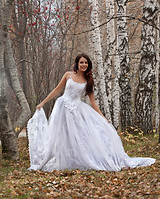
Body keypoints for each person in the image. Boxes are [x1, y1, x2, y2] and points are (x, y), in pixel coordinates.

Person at [27, 53, 155, 171]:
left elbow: (93, 102)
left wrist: (102, 117)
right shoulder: (68, 75)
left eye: (86, 63)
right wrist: (43, 103)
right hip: (62, 108)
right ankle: (49, 160)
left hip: (77, 111)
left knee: (80, 136)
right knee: (59, 136)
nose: (83, 65)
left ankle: (80, 159)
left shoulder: (88, 80)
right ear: (77, 63)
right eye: (81, 62)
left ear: (88, 65)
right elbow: (57, 90)